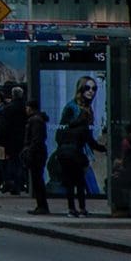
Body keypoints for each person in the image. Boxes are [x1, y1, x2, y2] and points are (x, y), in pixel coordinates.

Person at [56, 77, 106, 217]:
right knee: (80, 182)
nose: (91, 92)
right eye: (87, 88)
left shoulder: (85, 108)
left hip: (68, 153)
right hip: (77, 154)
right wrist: (103, 148)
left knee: (73, 183)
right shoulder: (73, 108)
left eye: (94, 88)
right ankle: (81, 208)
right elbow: (88, 140)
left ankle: (73, 209)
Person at [23, 100, 51, 214]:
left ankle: (42, 205)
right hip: (38, 152)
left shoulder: (35, 120)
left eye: (27, 108)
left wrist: (29, 151)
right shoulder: (38, 120)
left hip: (36, 154)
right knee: (37, 179)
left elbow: (36, 139)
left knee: (37, 180)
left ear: (30, 108)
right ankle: (41, 205)